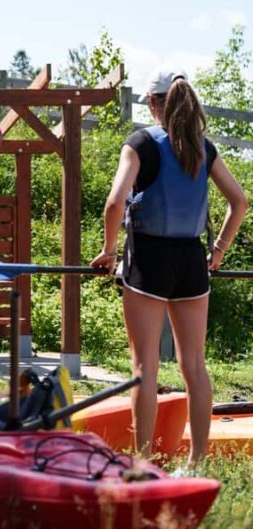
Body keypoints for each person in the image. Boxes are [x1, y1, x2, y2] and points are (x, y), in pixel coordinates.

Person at [90, 69, 247, 463]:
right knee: (194, 363)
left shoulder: (140, 143)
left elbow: (114, 202)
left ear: (157, 103)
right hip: (193, 259)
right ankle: (196, 461)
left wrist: (109, 251)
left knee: (144, 366)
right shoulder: (203, 146)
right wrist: (219, 250)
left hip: (150, 258)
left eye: (147, 100)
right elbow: (239, 201)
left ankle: (142, 462)